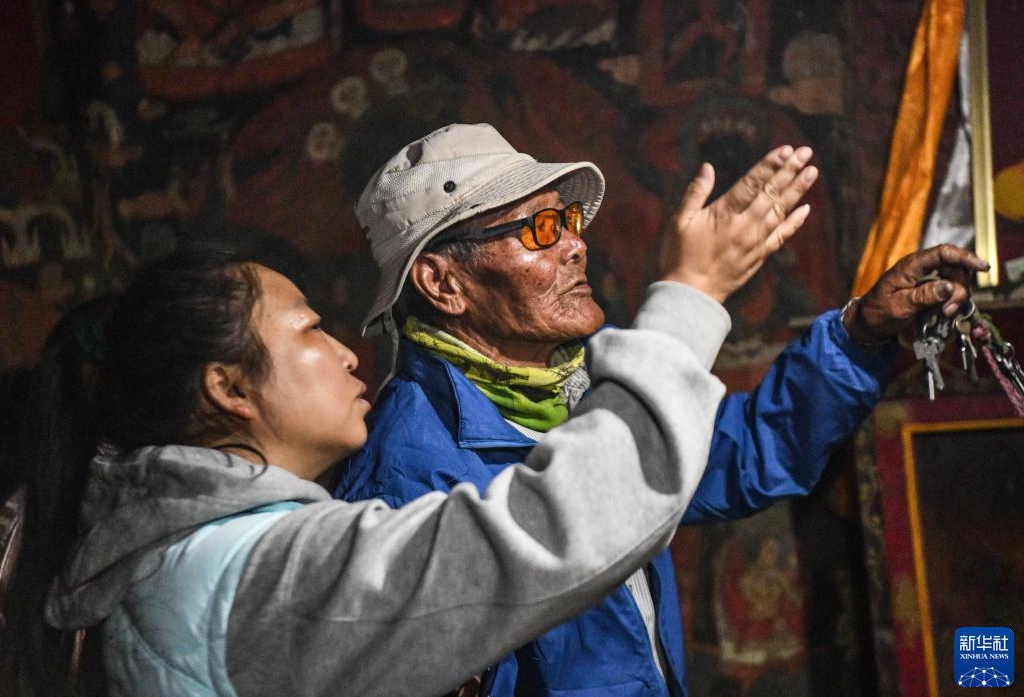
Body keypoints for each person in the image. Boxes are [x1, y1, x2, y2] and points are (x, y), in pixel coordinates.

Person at [2, 204, 784, 697]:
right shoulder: (261, 570)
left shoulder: (188, 558)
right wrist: (690, 299)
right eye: (310, 329)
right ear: (229, 388)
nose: (347, 352)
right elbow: (555, 532)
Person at [336, 123, 989, 696]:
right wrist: (693, 290)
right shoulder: (406, 480)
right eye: (540, 230)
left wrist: (860, 334)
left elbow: (745, 453)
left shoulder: (575, 389)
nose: (575, 245)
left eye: (568, 221)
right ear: (443, 283)